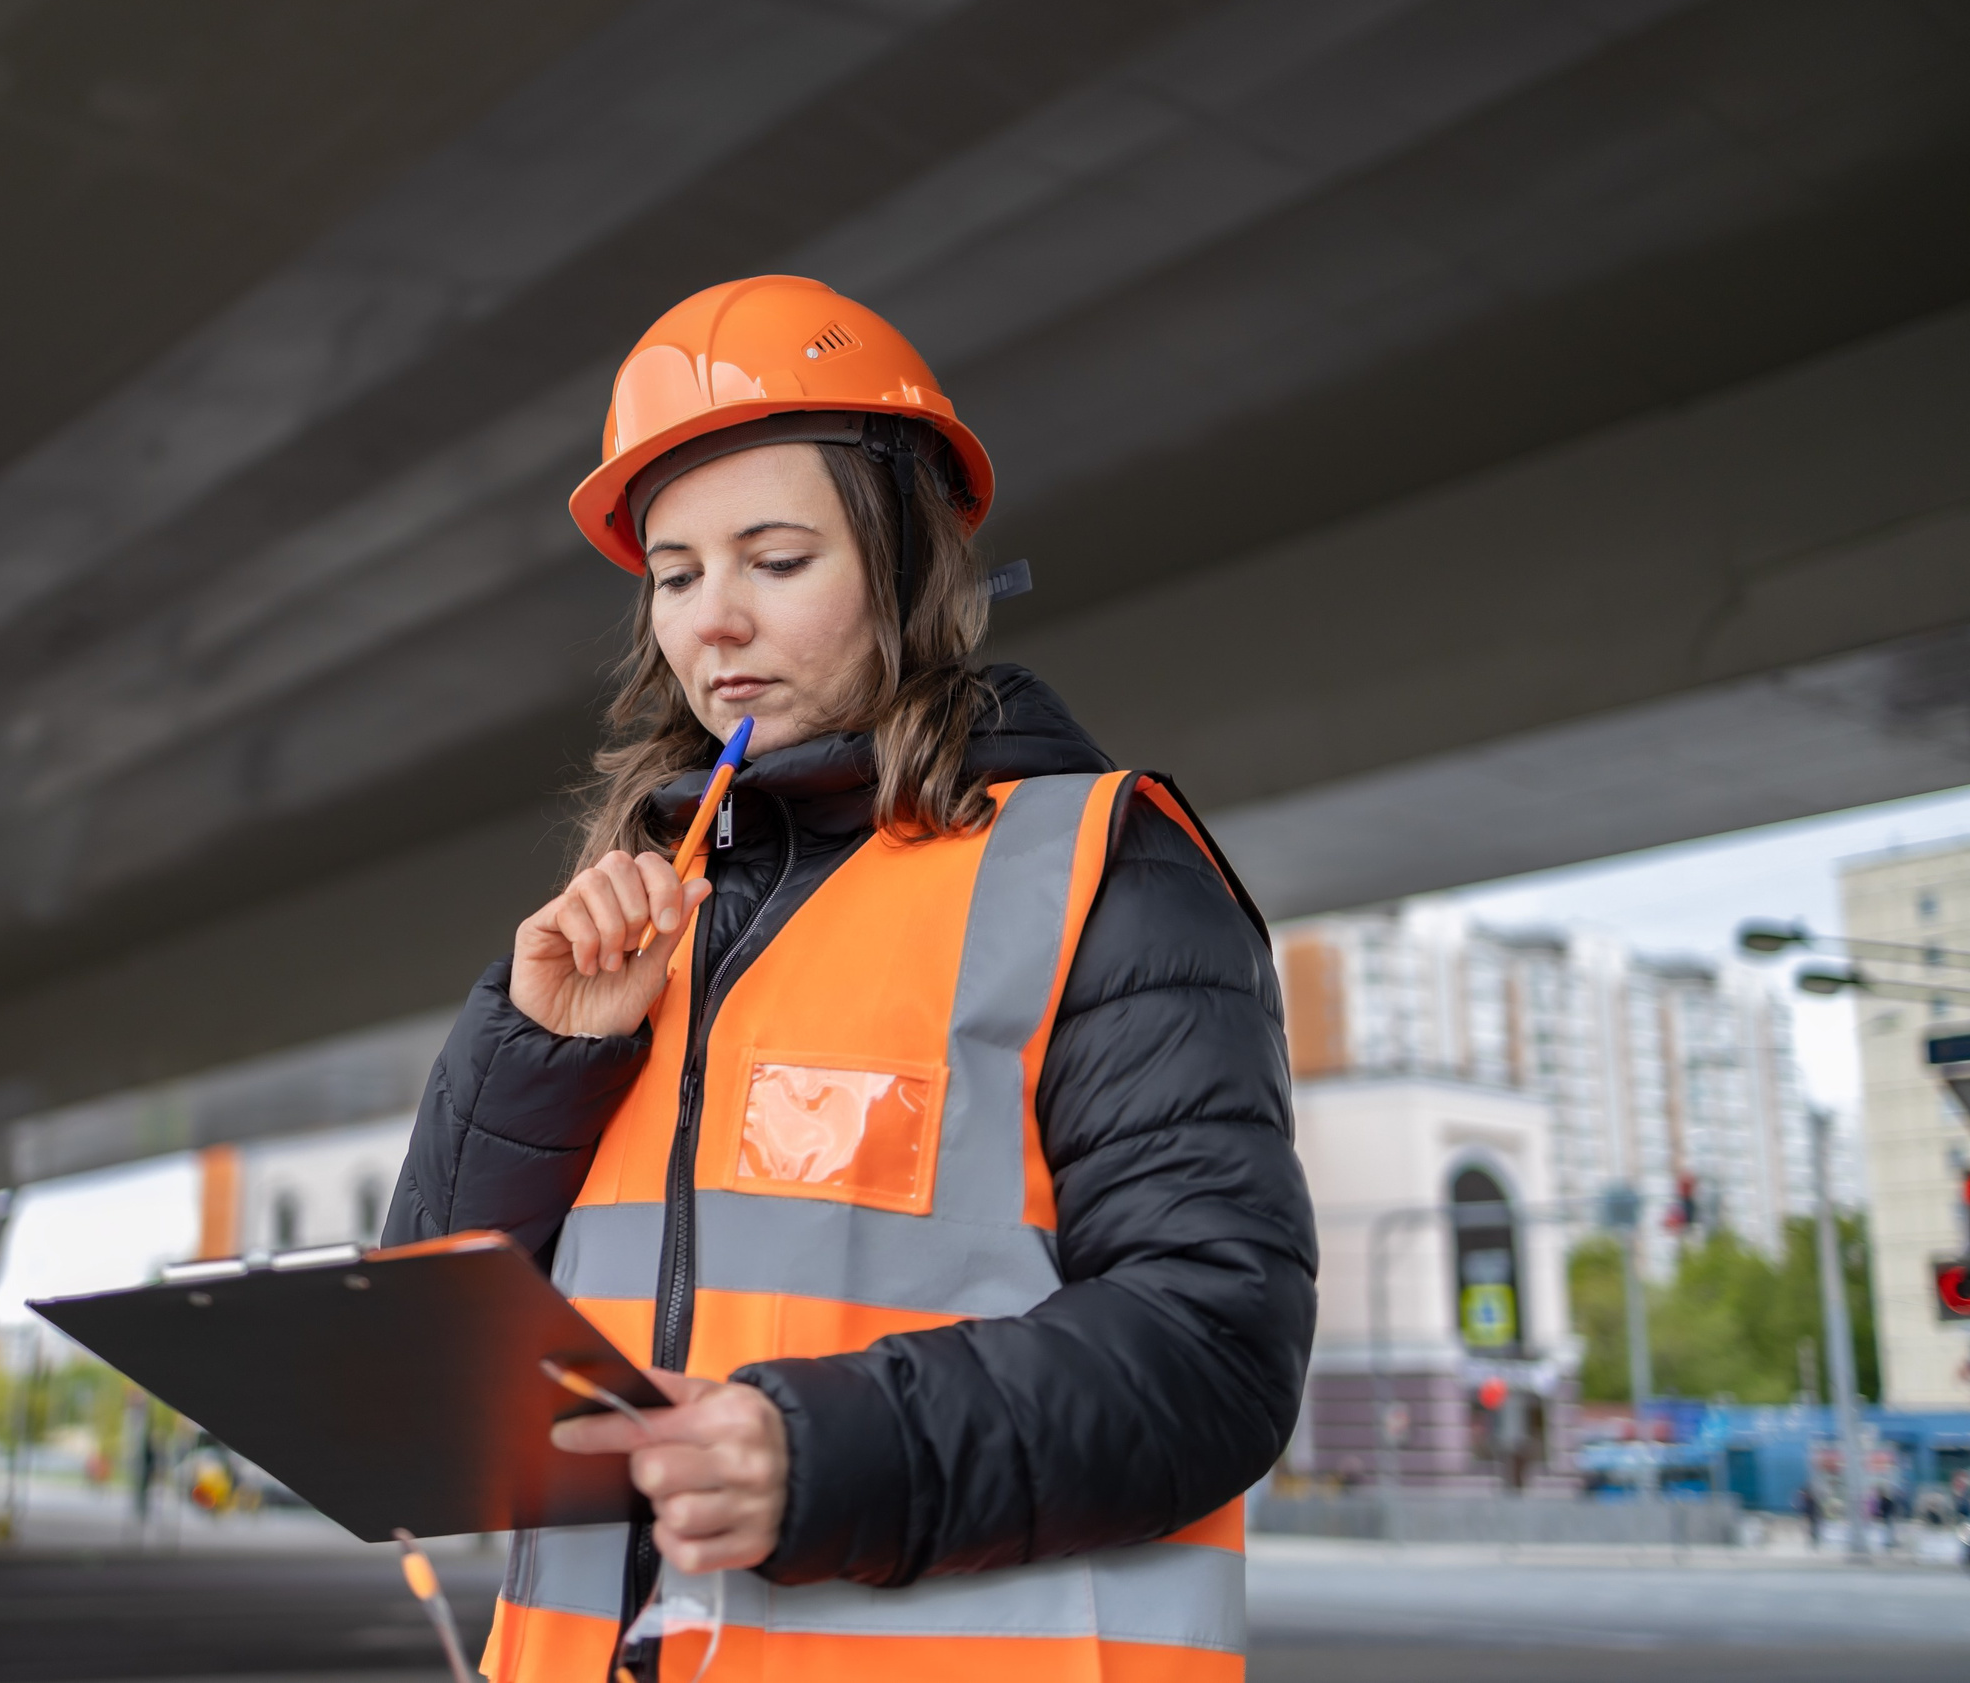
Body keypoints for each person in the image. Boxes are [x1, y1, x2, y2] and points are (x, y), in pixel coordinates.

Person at [384, 277, 1317, 1681]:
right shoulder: (628, 926)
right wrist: (536, 1052)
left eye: (775, 559)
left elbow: (1213, 1346)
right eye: (680, 574)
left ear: (904, 566)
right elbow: (427, 1387)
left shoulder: (1096, 874)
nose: (717, 623)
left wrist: (818, 1454)